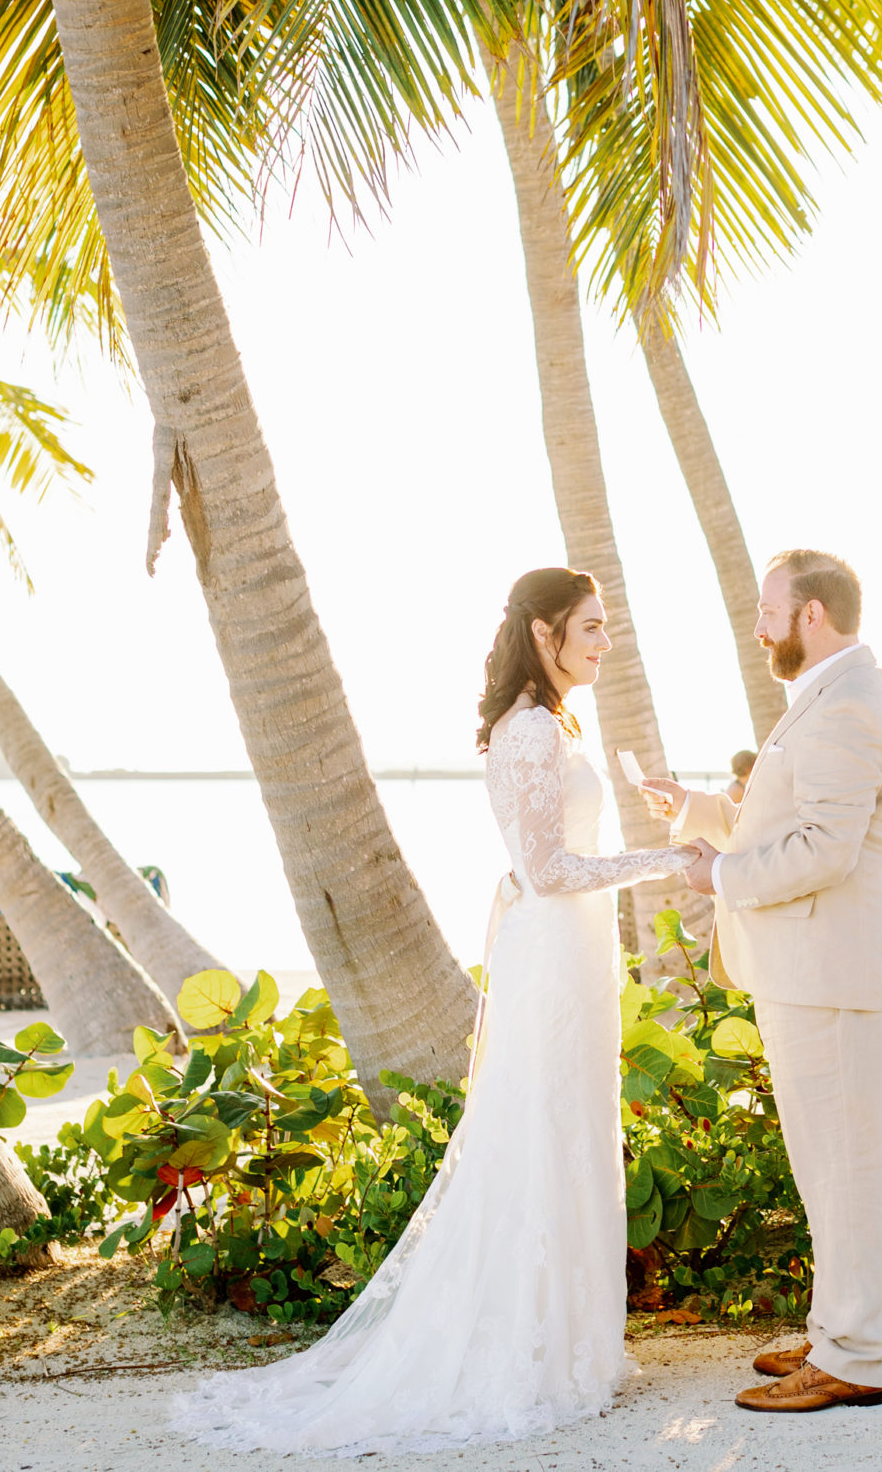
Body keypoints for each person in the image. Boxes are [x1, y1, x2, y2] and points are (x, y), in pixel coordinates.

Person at [172, 567, 692, 1454]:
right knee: (537, 1134)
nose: (607, 641)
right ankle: (529, 1355)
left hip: (570, 955)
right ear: (543, 632)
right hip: (551, 954)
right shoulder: (530, 730)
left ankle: (572, 1341)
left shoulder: (555, 722)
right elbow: (548, 871)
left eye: (607, 627)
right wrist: (664, 859)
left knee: (571, 1128)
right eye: (592, 626)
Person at [640, 549, 882, 1415]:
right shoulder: (839, 696)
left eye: (770, 610)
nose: (759, 625)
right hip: (816, 969)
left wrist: (716, 878)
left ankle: (854, 1357)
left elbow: (825, 852)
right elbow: (793, 821)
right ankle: (841, 1329)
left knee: (843, 1169)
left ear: (812, 615)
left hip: (831, 973)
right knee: (829, 1168)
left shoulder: (847, 706)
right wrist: (699, 813)